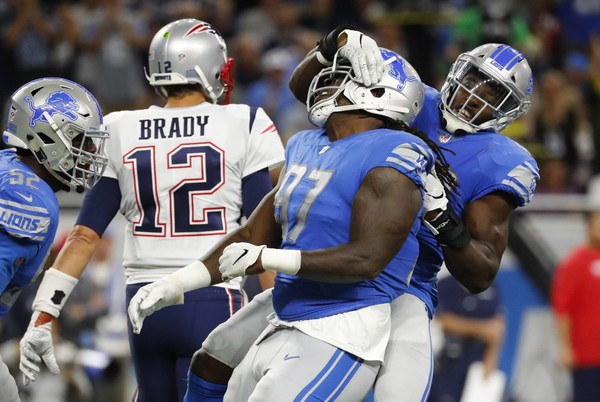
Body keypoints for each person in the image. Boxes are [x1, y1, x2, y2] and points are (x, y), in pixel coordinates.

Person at [127, 26, 540, 402]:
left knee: (399, 393)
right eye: (473, 79)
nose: (474, 94)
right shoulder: (406, 96)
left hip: (402, 281)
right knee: (214, 357)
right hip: (331, 255)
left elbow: (479, 274)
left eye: (492, 93)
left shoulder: (499, 161)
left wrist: (442, 218)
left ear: (509, 110)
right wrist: (332, 45)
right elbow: (310, 89)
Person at [18, 18, 286, 402]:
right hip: (213, 297)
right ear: (208, 66)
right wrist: (281, 310)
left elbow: (83, 236)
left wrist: (43, 314)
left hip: (143, 306)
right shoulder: (244, 122)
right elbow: (261, 236)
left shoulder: (119, 127)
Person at [0, 77, 108, 402]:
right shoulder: (28, 199)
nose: (90, 152)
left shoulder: (8, 166)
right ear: (46, 138)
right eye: (81, 140)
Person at [428, 275, 505, 402]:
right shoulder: (446, 284)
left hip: (477, 363)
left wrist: (491, 360)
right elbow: (444, 321)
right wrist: (483, 330)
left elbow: (497, 330)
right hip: (448, 363)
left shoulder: (492, 286)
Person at [551, 208, 600, 402]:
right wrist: (565, 347)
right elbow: (562, 309)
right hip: (586, 355)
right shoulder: (573, 263)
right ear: (588, 226)